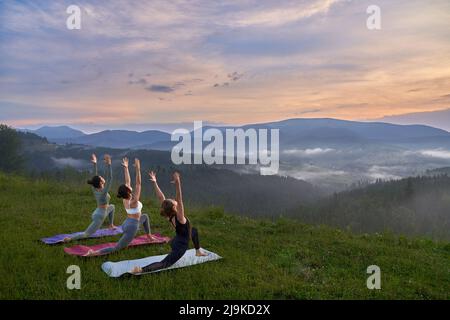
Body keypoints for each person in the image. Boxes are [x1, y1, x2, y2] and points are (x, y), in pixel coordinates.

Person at [131, 171, 207, 274]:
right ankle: (141, 269)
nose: (172, 199)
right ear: (174, 207)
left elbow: (161, 197)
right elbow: (179, 200)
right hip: (180, 246)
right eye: (172, 201)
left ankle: (198, 251)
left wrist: (155, 182)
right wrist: (178, 183)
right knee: (164, 263)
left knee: (193, 231)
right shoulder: (180, 218)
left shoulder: (170, 216)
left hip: (176, 240)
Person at [86, 157, 157, 256]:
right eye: (128, 187)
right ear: (128, 191)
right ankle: (94, 253)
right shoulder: (134, 201)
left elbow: (128, 181)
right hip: (132, 227)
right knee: (117, 248)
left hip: (126, 223)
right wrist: (138, 169)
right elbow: (138, 183)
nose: (128, 185)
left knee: (145, 217)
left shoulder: (125, 199)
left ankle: (149, 235)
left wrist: (126, 168)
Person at [64, 154, 116, 242]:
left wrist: (95, 164)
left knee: (112, 206)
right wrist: (109, 164)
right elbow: (110, 178)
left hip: (98, 211)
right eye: (100, 178)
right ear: (100, 183)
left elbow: (94, 177)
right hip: (100, 216)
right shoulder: (103, 192)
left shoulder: (94, 188)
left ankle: (111, 225)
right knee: (86, 234)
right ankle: (69, 239)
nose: (102, 177)